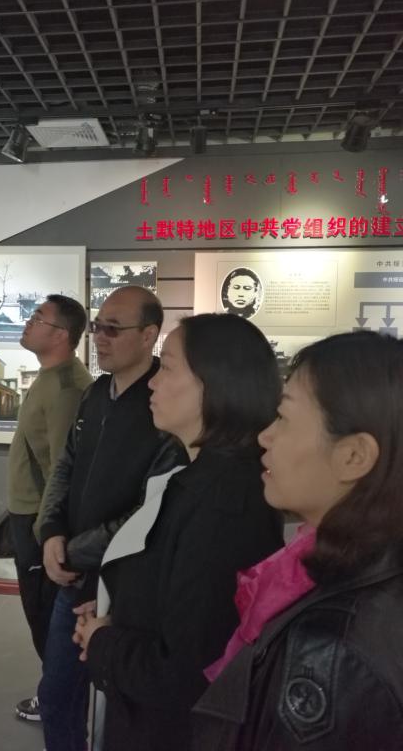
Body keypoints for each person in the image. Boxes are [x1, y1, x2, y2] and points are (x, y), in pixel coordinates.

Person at [74, 314, 284, 751]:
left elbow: (187, 670)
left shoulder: (224, 503)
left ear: (217, 384)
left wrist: (103, 641)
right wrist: (120, 605)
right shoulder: (203, 480)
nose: (152, 382)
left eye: (167, 367)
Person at [192, 330, 403, 751]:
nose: (265, 436)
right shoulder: (353, 569)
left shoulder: (333, 651)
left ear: (353, 456)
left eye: (284, 418)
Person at [37, 286, 182, 751]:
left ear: (149, 335)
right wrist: (51, 531)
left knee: (120, 712)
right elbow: (66, 465)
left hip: (127, 587)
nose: (100, 337)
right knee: (57, 694)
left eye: (113, 329)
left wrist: (73, 551)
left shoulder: (165, 404)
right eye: (98, 327)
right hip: (73, 579)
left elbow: (150, 510)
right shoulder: (96, 392)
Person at [8, 294, 92, 723]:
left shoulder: (66, 389)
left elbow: (65, 470)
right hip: (30, 516)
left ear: (60, 334)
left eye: (38, 318)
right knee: (40, 616)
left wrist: (48, 533)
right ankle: (58, 697)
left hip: (40, 524)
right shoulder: (51, 378)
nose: (29, 322)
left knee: (47, 621)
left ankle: (59, 703)